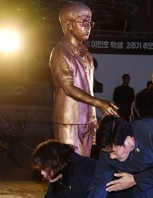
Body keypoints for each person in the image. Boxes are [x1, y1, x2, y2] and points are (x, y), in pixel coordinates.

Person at [49, 1, 118, 157]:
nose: (88, 26)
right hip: (69, 119)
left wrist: (93, 116)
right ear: (68, 24)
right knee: (69, 166)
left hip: (87, 119)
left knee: (84, 166)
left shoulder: (87, 55)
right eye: (83, 22)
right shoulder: (60, 52)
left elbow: (87, 88)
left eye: (90, 22)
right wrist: (99, 103)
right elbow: (68, 87)